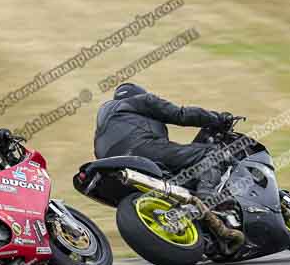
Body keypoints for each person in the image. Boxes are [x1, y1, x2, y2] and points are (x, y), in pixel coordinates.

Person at [94, 83, 233, 196]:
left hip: (112, 169)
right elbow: (181, 115)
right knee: (212, 153)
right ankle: (207, 197)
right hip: (142, 150)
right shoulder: (140, 101)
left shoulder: (104, 125)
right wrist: (218, 119)